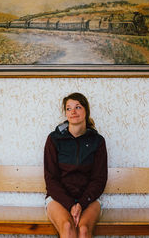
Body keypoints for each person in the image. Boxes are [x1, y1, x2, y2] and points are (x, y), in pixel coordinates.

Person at [44, 92, 108, 238]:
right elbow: (51, 179)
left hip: (89, 199)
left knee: (83, 230)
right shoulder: (54, 139)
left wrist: (81, 204)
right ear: (65, 113)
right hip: (58, 198)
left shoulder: (97, 141)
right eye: (69, 108)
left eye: (78, 107)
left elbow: (99, 179)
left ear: (86, 111)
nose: (73, 112)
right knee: (67, 227)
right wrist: (71, 205)